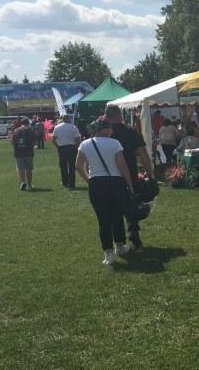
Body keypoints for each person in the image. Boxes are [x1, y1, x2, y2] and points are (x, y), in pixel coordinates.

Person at [75, 117, 134, 265]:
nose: (112, 131)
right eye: (109, 128)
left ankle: (108, 253)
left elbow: (78, 165)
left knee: (103, 220)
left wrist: (89, 180)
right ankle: (119, 246)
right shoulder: (114, 143)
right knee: (117, 216)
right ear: (104, 129)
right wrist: (130, 184)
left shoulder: (85, 144)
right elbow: (122, 165)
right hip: (115, 182)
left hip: (97, 183)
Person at [105, 105, 155, 249]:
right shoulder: (131, 131)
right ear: (120, 115)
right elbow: (143, 153)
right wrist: (150, 173)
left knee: (115, 208)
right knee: (133, 203)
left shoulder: (104, 133)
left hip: (110, 174)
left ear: (106, 116)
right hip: (131, 173)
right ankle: (133, 231)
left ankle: (119, 241)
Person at [52, 114, 82, 188]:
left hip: (61, 147)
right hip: (71, 147)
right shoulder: (73, 127)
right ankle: (72, 182)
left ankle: (65, 181)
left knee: (63, 165)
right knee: (72, 165)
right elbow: (77, 139)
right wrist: (77, 147)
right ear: (68, 119)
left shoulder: (57, 127)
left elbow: (53, 138)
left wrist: (57, 146)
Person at [10, 117, 36, 190]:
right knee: (29, 169)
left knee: (20, 169)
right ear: (28, 123)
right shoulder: (30, 131)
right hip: (28, 152)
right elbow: (34, 142)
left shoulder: (16, 131)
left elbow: (12, 141)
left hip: (18, 152)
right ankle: (29, 185)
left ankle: (23, 182)